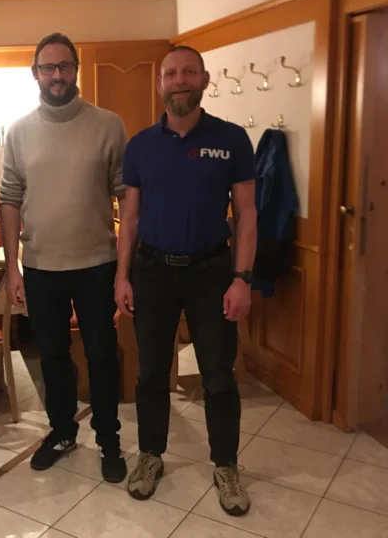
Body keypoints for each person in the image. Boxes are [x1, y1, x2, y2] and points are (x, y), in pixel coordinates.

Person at [116, 45, 257, 516]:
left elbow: (247, 213)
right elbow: (130, 218)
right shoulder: (140, 145)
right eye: (171, 73)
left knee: (218, 375)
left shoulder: (231, 139)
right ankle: (150, 456)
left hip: (212, 273)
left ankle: (226, 466)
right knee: (151, 373)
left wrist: (242, 279)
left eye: (188, 72)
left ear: (204, 79)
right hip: (152, 272)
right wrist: (122, 275)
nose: (179, 80)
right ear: (160, 83)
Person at [0, 32, 128, 483]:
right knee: (52, 357)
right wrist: (13, 267)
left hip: (97, 266)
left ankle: (109, 439)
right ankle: (62, 432)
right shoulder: (18, 132)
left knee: (102, 355)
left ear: (76, 69)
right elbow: (9, 199)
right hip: (40, 268)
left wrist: (125, 269)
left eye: (64, 66)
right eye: (48, 67)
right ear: (35, 73)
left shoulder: (108, 124)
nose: (57, 75)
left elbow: (126, 196)